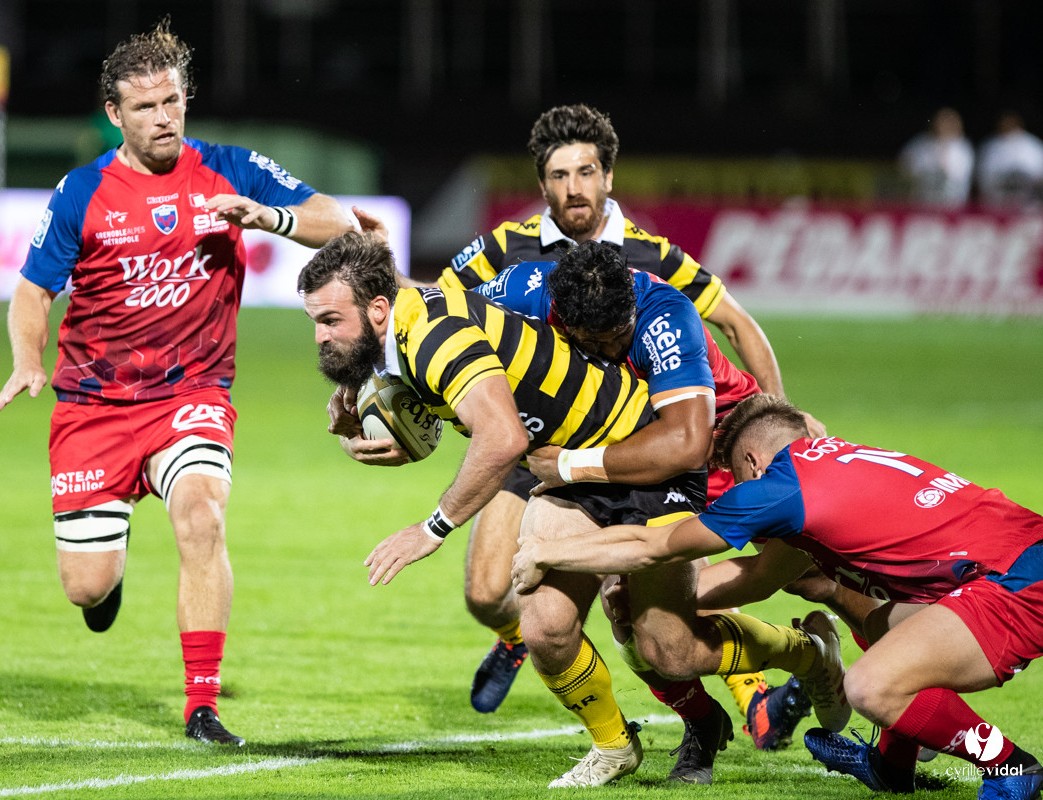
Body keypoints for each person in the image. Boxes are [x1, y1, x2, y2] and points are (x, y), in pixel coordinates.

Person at [300, 232, 848, 788]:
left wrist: (433, 527)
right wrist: (368, 412)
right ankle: (620, 743)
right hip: (565, 457)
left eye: (329, 322)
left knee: (675, 643)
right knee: (544, 623)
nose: (609, 353)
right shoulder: (506, 291)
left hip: (667, 451)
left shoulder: (663, 313)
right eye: (318, 322)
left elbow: (679, 440)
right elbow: (434, 366)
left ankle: (813, 654)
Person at [0, 18, 354, 745]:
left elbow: (338, 220)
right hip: (92, 406)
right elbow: (33, 291)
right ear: (115, 114)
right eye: (147, 107)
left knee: (202, 515)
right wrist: (30, 360)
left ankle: (201, 705)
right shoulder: (82, 192)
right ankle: (106, 582)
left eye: (174, 101)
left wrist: (268, 215)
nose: (165, 117)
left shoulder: (229, 167)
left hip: (191, 396)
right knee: (85, 585)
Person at [436, 104, 823, 720]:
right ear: (542, 185)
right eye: (559, 176)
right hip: (535, 436)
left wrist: (778, 424)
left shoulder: (652, 256)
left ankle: (745, 689)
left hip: (637, 442)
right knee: (487, 593)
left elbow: (736, 323)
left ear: (608, 177)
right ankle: (515, 639)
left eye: (586, 171)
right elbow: (436, 316)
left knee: (667, 580)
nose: (574, 188)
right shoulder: (504, 251)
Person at [511, 393, 1043, 799]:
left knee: (870, 687)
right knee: (881, 629)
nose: (736, 487)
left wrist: (549, 552)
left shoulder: (779, 489)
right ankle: (892, 766)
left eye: (735, 475)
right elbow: (758, 578)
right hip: (1012, 557)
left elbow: (656, 545)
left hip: (1015, 584)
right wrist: (676, 604)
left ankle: (1011, 765)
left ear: (750, 459)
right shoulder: (835, 460)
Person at [473, 243, 816, 754]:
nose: (611, 352)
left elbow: (688, 437)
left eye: (618, 339)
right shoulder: (523, 282)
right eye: (597, 342)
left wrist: (782, 417)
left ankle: (871, 683)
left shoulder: (661, 300)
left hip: (719, 445)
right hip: (615, 450)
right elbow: (443, 318)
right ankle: (697, 722)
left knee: (822, 572)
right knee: (627, 619)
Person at [898, 107, 974, 208]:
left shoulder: (963, 148)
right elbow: (906, 168)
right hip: (923, 203)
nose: (944, 125)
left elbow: (960, 175)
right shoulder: (919, 144)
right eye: (942, 121)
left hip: (952, 204)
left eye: (949, 121)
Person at [976, 111, 1043, 208]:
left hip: (1028, 201)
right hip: (998, 200)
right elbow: (983, 177)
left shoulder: (1033, 145)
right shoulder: (991, 146)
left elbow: (1039, 175)